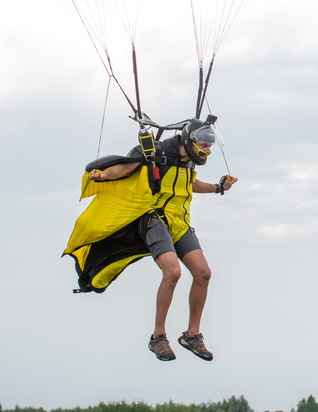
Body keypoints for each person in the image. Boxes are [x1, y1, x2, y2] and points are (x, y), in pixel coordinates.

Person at [63, 118, 236, 362]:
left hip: (179, 221)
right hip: (153, 218)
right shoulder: (157, 152)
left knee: (203, 273)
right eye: (205, 146)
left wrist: (219, 188)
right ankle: (158, 337)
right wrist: (103, 175)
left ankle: (192, 335)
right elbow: (126, 168)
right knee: (173, 272)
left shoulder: (187, 162)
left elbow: (190, 183)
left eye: (209, 147)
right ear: (191, 140)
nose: (207, 151)